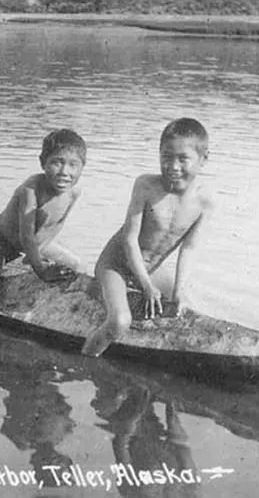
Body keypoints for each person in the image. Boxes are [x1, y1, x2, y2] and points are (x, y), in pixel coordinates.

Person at [81, 118, 212, 357]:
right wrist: (146, 286)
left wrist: (179, 291)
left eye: (183, 159)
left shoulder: (204, 202)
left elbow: (189, 250)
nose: (173, 166)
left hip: (150, 271)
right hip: (116, 267)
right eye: (166, 156)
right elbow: (129, 240)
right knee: (120, 321)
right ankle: (85, 360)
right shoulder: (145, 186)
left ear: (203, 159)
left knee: (187, 308)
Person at [0, 129, 88, 326]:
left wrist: (38, 252)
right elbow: (25, 234)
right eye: (56, 162)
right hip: (2, 240)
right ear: (43, 163)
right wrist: (41, 269)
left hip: (36, 244)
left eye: (73, 165)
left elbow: (57, 224)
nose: (64, 172)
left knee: (78, 265)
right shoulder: (31, 188)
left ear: (82, 168)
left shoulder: (73, 193)